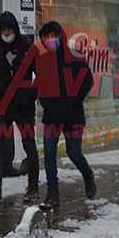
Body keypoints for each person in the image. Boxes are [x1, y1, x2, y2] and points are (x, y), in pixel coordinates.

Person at [0, 12, 38, 205]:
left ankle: (33, 187)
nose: (6, 33)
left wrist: (31, 95)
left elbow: (41, 75)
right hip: (2, 106)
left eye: (9, 29)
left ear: (15, 29)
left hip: (23, 105)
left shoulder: (28, 47)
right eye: (3, 29)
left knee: (29, 144)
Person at [34, 21, 96, 209]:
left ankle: (88, 176)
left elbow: (88, 81)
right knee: (50, 154)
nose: (50, 40)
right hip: (52, 115)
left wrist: (73, 100)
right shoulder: (43, 61)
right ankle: (52, 195)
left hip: (73, 115)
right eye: (47, 37)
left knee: (74, 153)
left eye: (54, 36)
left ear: (61, 36)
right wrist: (45, 101)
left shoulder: (75, 58)